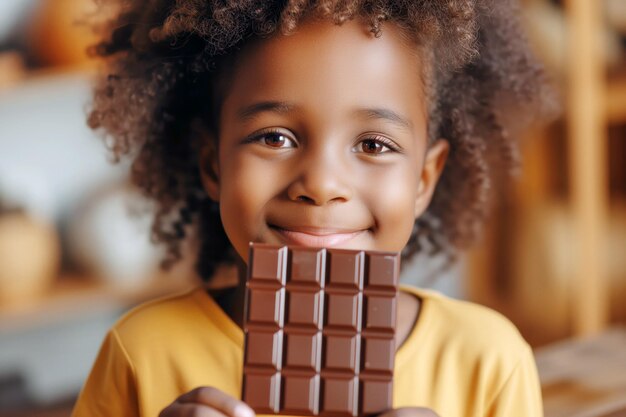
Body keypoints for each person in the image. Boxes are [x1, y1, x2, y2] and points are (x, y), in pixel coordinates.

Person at [72, 1, 554, 416]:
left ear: (424, 179)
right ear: (213, 164)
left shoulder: (487, 361)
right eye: (275, 137)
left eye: (373, 144)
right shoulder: (141, 353)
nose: (321, 186)